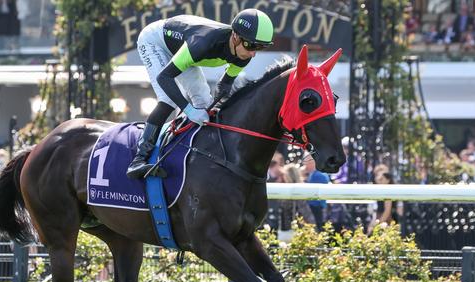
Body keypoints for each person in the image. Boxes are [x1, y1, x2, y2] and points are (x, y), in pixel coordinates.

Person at [126, 9, 275, 179]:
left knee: (205, 102)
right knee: (168, 100)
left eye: (260, 47)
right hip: (156, 42)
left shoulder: (244, 55)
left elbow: (223, 86)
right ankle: (139, 159)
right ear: (235, 36)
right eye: (251, 45)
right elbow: (164, 78)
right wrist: (189, 111)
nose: (253, 53)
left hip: (183, 48)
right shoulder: (203, 43)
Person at [302, 152, 330, 230]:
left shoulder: (319, 175)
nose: (304, 164)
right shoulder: (313, 173)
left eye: (306, 161)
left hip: (317, 208)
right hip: (315, 208)